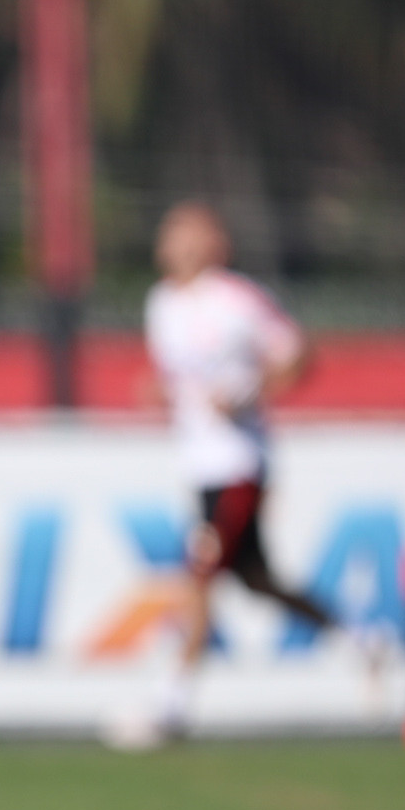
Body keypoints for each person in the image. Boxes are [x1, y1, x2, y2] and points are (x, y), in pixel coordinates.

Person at [136, 201, 337, 742]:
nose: (172, 243)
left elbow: (298, 354)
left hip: (240, 464)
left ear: (212, 243)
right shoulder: (160, 304)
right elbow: (178, 379)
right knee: (258, 581)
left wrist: (249, 393)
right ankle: (364, 639)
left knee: (198, 574)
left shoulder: (237, 299)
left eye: (185, 233)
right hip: (198, 467)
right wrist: (159, 392)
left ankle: (170, 709)